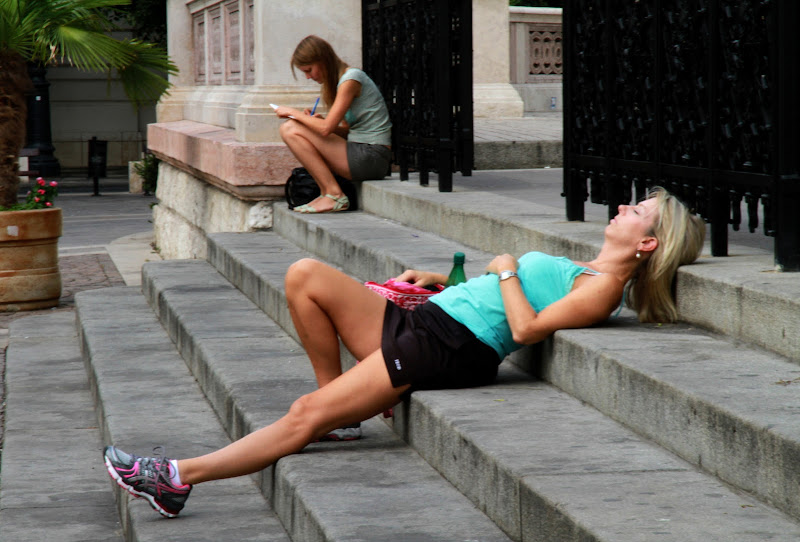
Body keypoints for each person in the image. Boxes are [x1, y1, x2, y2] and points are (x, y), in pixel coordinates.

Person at [103, 187, 706, 518]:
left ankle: (177, 478)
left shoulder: (600, 290)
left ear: (647, 241)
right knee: (306, 273)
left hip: (449, 347)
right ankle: (344, 418)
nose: (624, 208)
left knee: (303, 414)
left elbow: (524, 330)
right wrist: (445, 283)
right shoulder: (584, 268)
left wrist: (502, 273)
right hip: (434, 320)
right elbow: (501, 303)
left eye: (637, 210)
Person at [275, 35, 392, 213]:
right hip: (361, 152)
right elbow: (345, 130)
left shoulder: (351, 79)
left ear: (323, 61)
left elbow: (325, 130)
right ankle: (326, 193)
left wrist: (294, 113)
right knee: (295, 128)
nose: (308, 77)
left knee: (290, 128)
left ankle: (334, 194)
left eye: (309, 70)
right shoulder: (340, 82)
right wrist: (316, 123)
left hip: (372, 156)